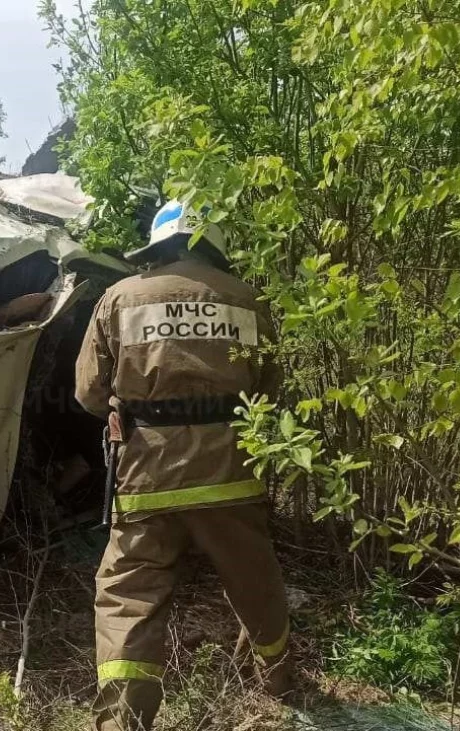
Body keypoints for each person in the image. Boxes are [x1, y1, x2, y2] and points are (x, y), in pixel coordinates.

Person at [75, 199, 292, 731]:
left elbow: (88, 392)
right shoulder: (247, 300)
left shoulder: (120, 297)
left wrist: (131, 407)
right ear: (212, 246)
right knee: (254, 579)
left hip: (146, 474)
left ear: (158, 244)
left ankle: (124, 722)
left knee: (129, 595)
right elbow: (269, 389)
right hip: (229, 473)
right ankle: (280, 683)